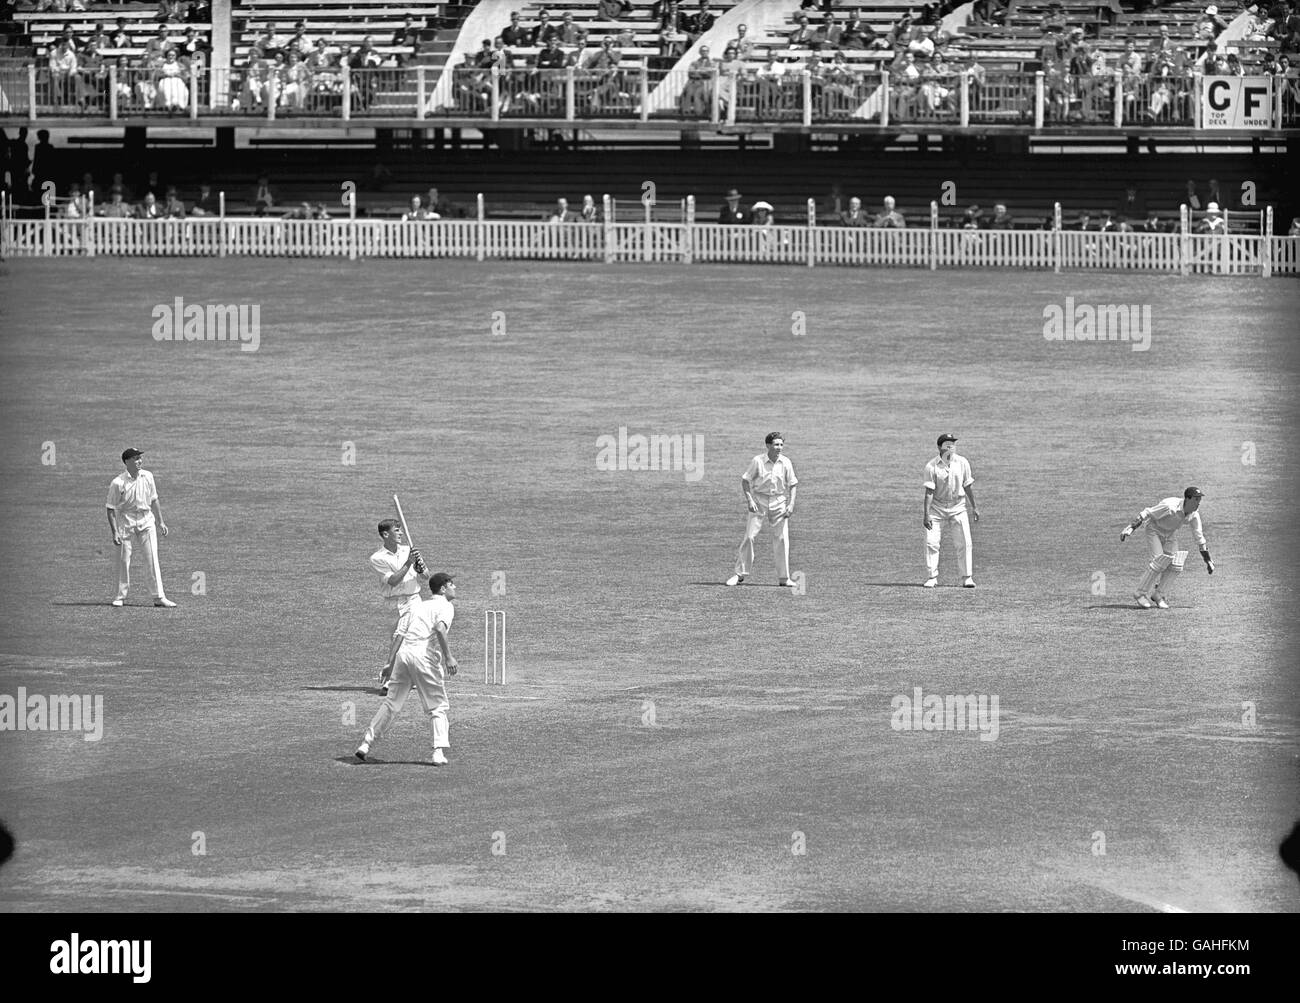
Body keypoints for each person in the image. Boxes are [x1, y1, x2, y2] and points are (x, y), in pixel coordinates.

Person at [355, 572, 459, 766]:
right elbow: (439, 628)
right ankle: (438, 752)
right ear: (443, 589)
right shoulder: (446, 606)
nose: (455, 587)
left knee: (391, 704)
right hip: (423, 656)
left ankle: (365, 744)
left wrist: (389, 664)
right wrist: (448, 657)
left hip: (404, 655)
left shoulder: (418, 606)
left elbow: (400, 635)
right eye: (452, 584)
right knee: (437, 706)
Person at [725, 432, 799, 588]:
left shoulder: (786, 462)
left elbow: (792, 484)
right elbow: (745, 481)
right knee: (750, 536)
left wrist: (791, 504)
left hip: (779, 501)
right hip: (759, 501)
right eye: (776, 444)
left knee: (782, 539)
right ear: (768, 445)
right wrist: (750, 500)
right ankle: (739, 575)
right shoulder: (757, 461)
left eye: (781, 444)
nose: (779, 447)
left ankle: (784, 578)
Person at [1120, 487, 1213, 609]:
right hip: (1154, 530)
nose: (1198, 502)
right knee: (1159, 563)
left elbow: (1199, 538)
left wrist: (1208, 560)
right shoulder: (1169, 506)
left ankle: (1159, 595)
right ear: (1187, 499)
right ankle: (1140, 594)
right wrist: (1131, 528)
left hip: (1170, 534)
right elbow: (1147, 512)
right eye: (1196, 499)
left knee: (1176, 565)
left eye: (1199, 499)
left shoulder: (1194, 515)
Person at [106, 448, 176, 607]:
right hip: (126, 521)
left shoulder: (148, 476)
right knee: (123, 560)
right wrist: (115, 532)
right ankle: (120, 597)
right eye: (136, 458)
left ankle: (159, 597)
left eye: (140, 458)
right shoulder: (118, 483)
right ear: (127, 462)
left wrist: (161, 522)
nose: (140, 461)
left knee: (152, 559)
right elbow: (110, 508)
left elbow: (154, 500)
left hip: (146, 520)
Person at [370, 518, 429, 693]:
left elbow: (426, 575)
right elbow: (394, 581)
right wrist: (409, 563)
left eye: (401, 530)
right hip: (394, 603)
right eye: (397, 530)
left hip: (414, 600)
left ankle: (391, 680)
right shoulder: (377, 558)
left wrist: (419, 568)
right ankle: (396, 677)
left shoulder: (409, 550)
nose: (401, 533)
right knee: (398, 640)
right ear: (385, 534)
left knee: (407, 637)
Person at [922, 433, 979, 588]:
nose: (951, 447)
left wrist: (974, 507)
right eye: (947, 445)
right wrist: (926, 515)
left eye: (952, 444)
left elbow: (967, 485)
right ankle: (932, 577)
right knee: (931, 543)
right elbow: (929, 492)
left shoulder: (962, 462)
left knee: (965, 542)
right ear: (940, 447)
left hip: (958, 507)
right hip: (937, 508)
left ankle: (966, 577)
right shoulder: (931, 466)